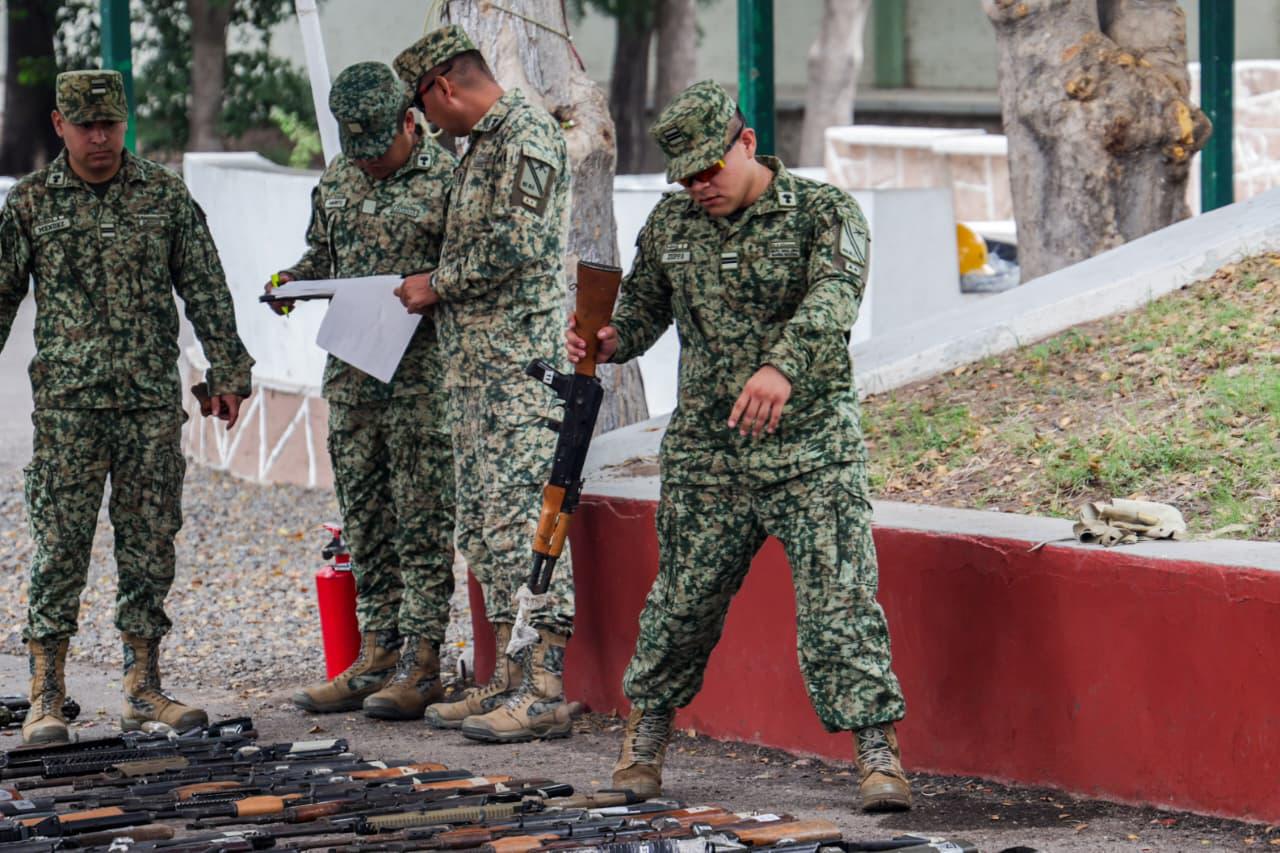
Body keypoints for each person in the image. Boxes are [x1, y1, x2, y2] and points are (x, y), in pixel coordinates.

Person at [565, 81, 913, 812]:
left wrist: (782, 365)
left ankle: (877, 755)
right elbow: (644, 309)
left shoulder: (824, 214)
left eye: (710, 169)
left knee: (840, 604)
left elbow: (833, 300)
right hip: (709, 456)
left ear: (746, 142)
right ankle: (644, 742)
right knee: (681, 605)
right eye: (686, 176)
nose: (700, 186)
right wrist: (612, 336)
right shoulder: (672, 224)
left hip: (812, 450)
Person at [0, 70, 253, 745]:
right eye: (86, 126)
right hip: (69, 411)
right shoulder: (30, 205)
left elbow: (206, 285)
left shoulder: (163, 196)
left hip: (147, 407)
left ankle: (143, 685)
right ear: (60, 125)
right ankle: (45, 691)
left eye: (111, 123)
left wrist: (229, 369)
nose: (101, 137)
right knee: (58, 547)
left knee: (148, 547)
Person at [390, 25, 579, 743]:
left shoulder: (526, 134)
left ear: (441, 87)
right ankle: (508, 672)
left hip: (517, 377)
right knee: (486, 528)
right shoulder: (478, 147)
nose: (424, 123)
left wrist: (435, 284)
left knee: (530, 524)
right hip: (474, 379)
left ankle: (546, 686)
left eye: (422, 108)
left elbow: (518, 242)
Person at [265, 62, 458, 722]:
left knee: (423, 516)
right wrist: (292, 281)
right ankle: (376, 651)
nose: (372, 163)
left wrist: (436, 281)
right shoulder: (339, 178)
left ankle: (423, 661)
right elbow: (323, 255)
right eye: (362, 151)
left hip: (422, 377)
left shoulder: (449, 180)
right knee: (366, 515)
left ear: (411, 121)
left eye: (382, 148)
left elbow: (469, 272)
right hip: (353, 371)